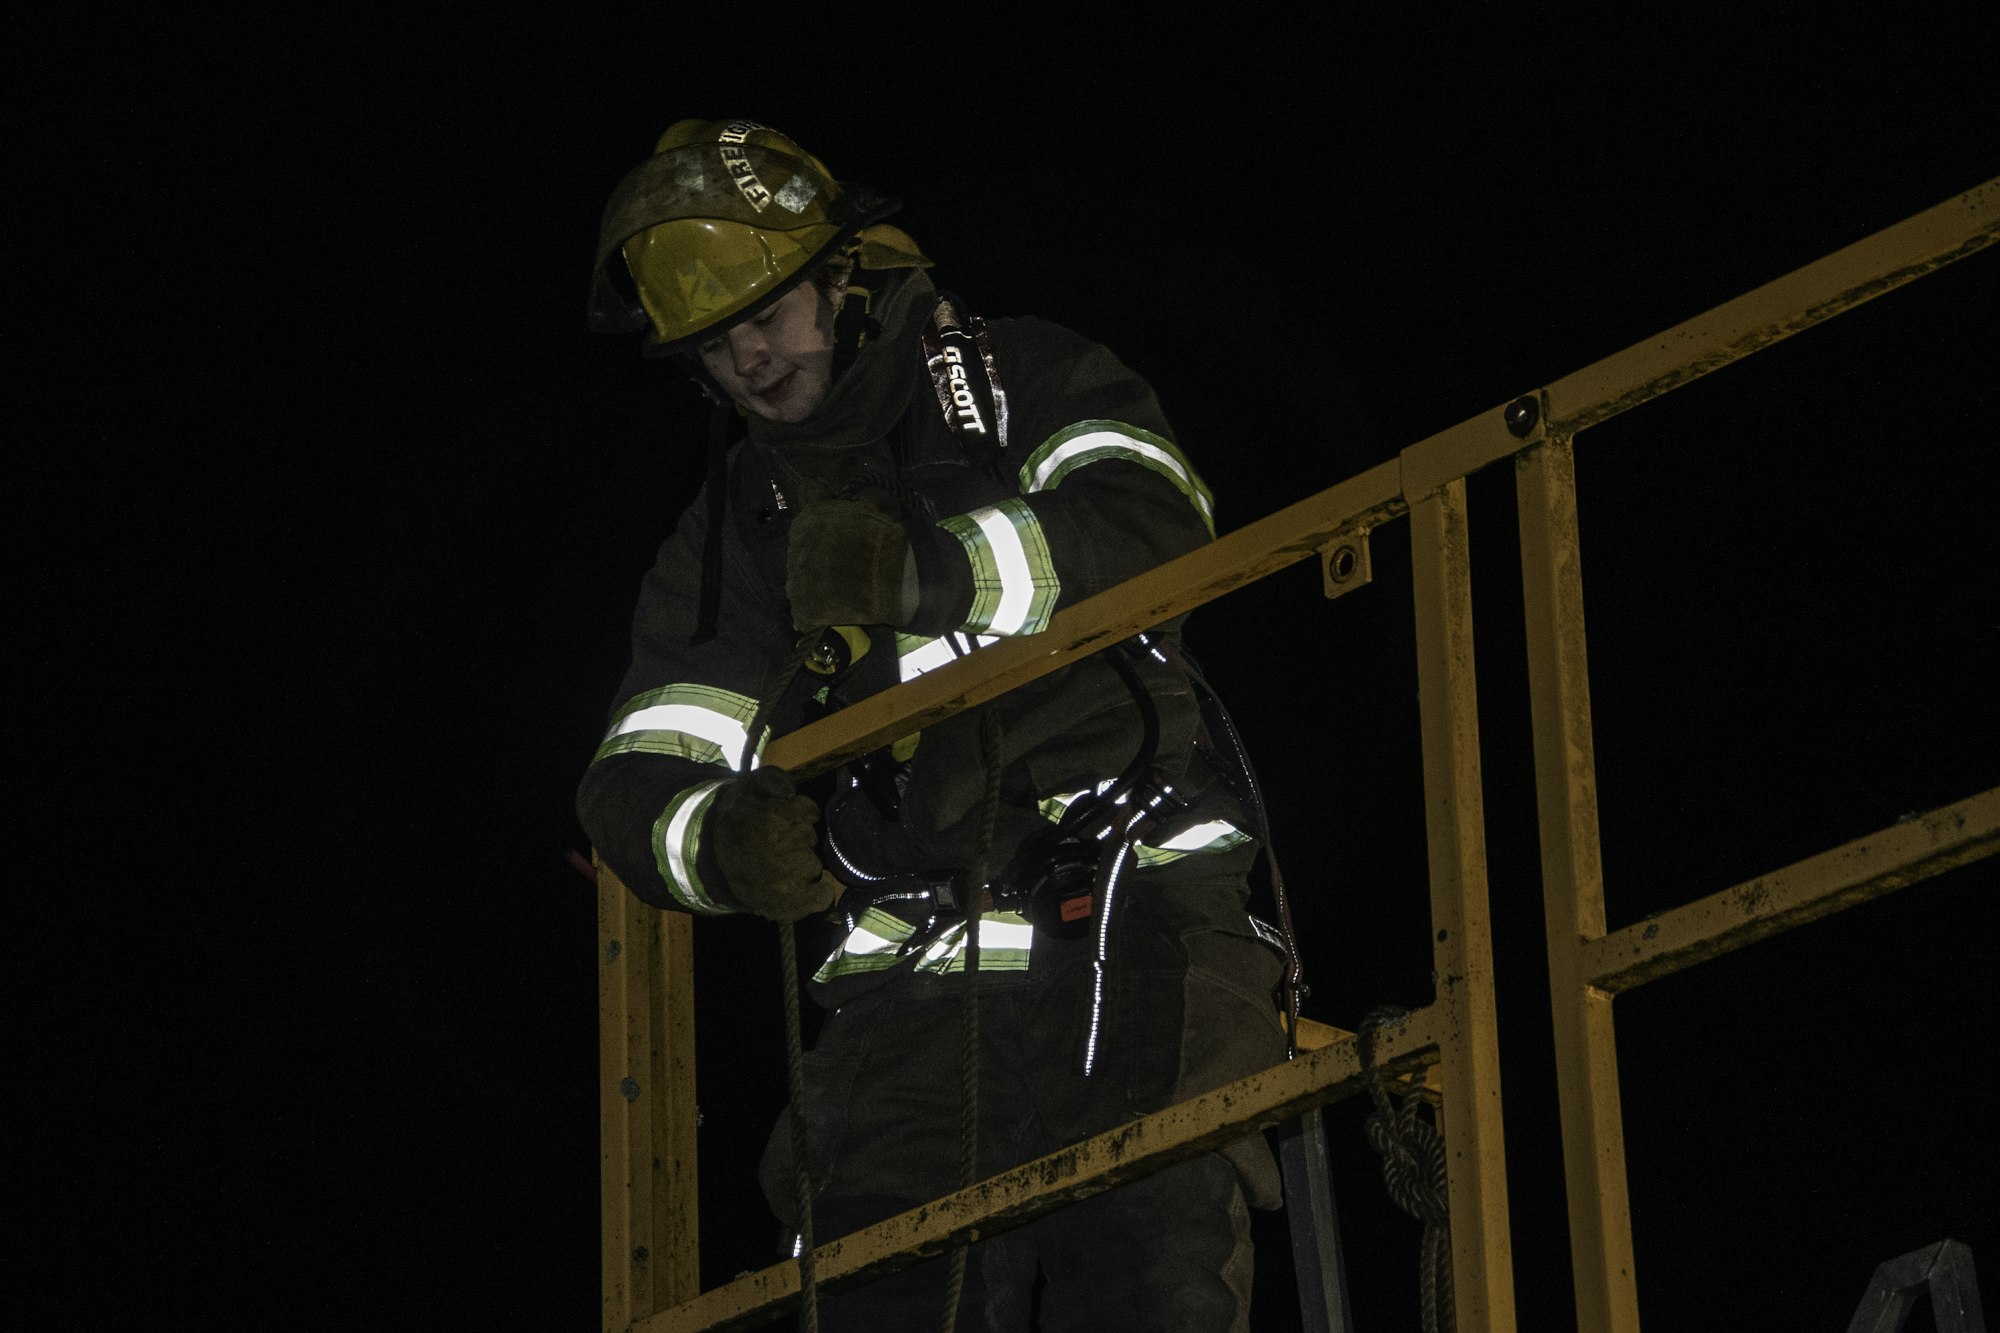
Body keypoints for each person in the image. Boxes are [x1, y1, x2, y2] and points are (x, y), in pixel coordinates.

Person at [578, 117, 1290, 1331]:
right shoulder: (732, 533)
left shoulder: (1021, 376)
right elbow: (637, 777)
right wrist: (725, 841)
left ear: (841, 279)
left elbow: (1156, 518)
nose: (747, 359)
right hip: (906, 992)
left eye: (768, 315)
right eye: (713, 345)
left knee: (1150, 1279)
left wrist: (931, 570)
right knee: (875, 1297)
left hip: (1140, 923)